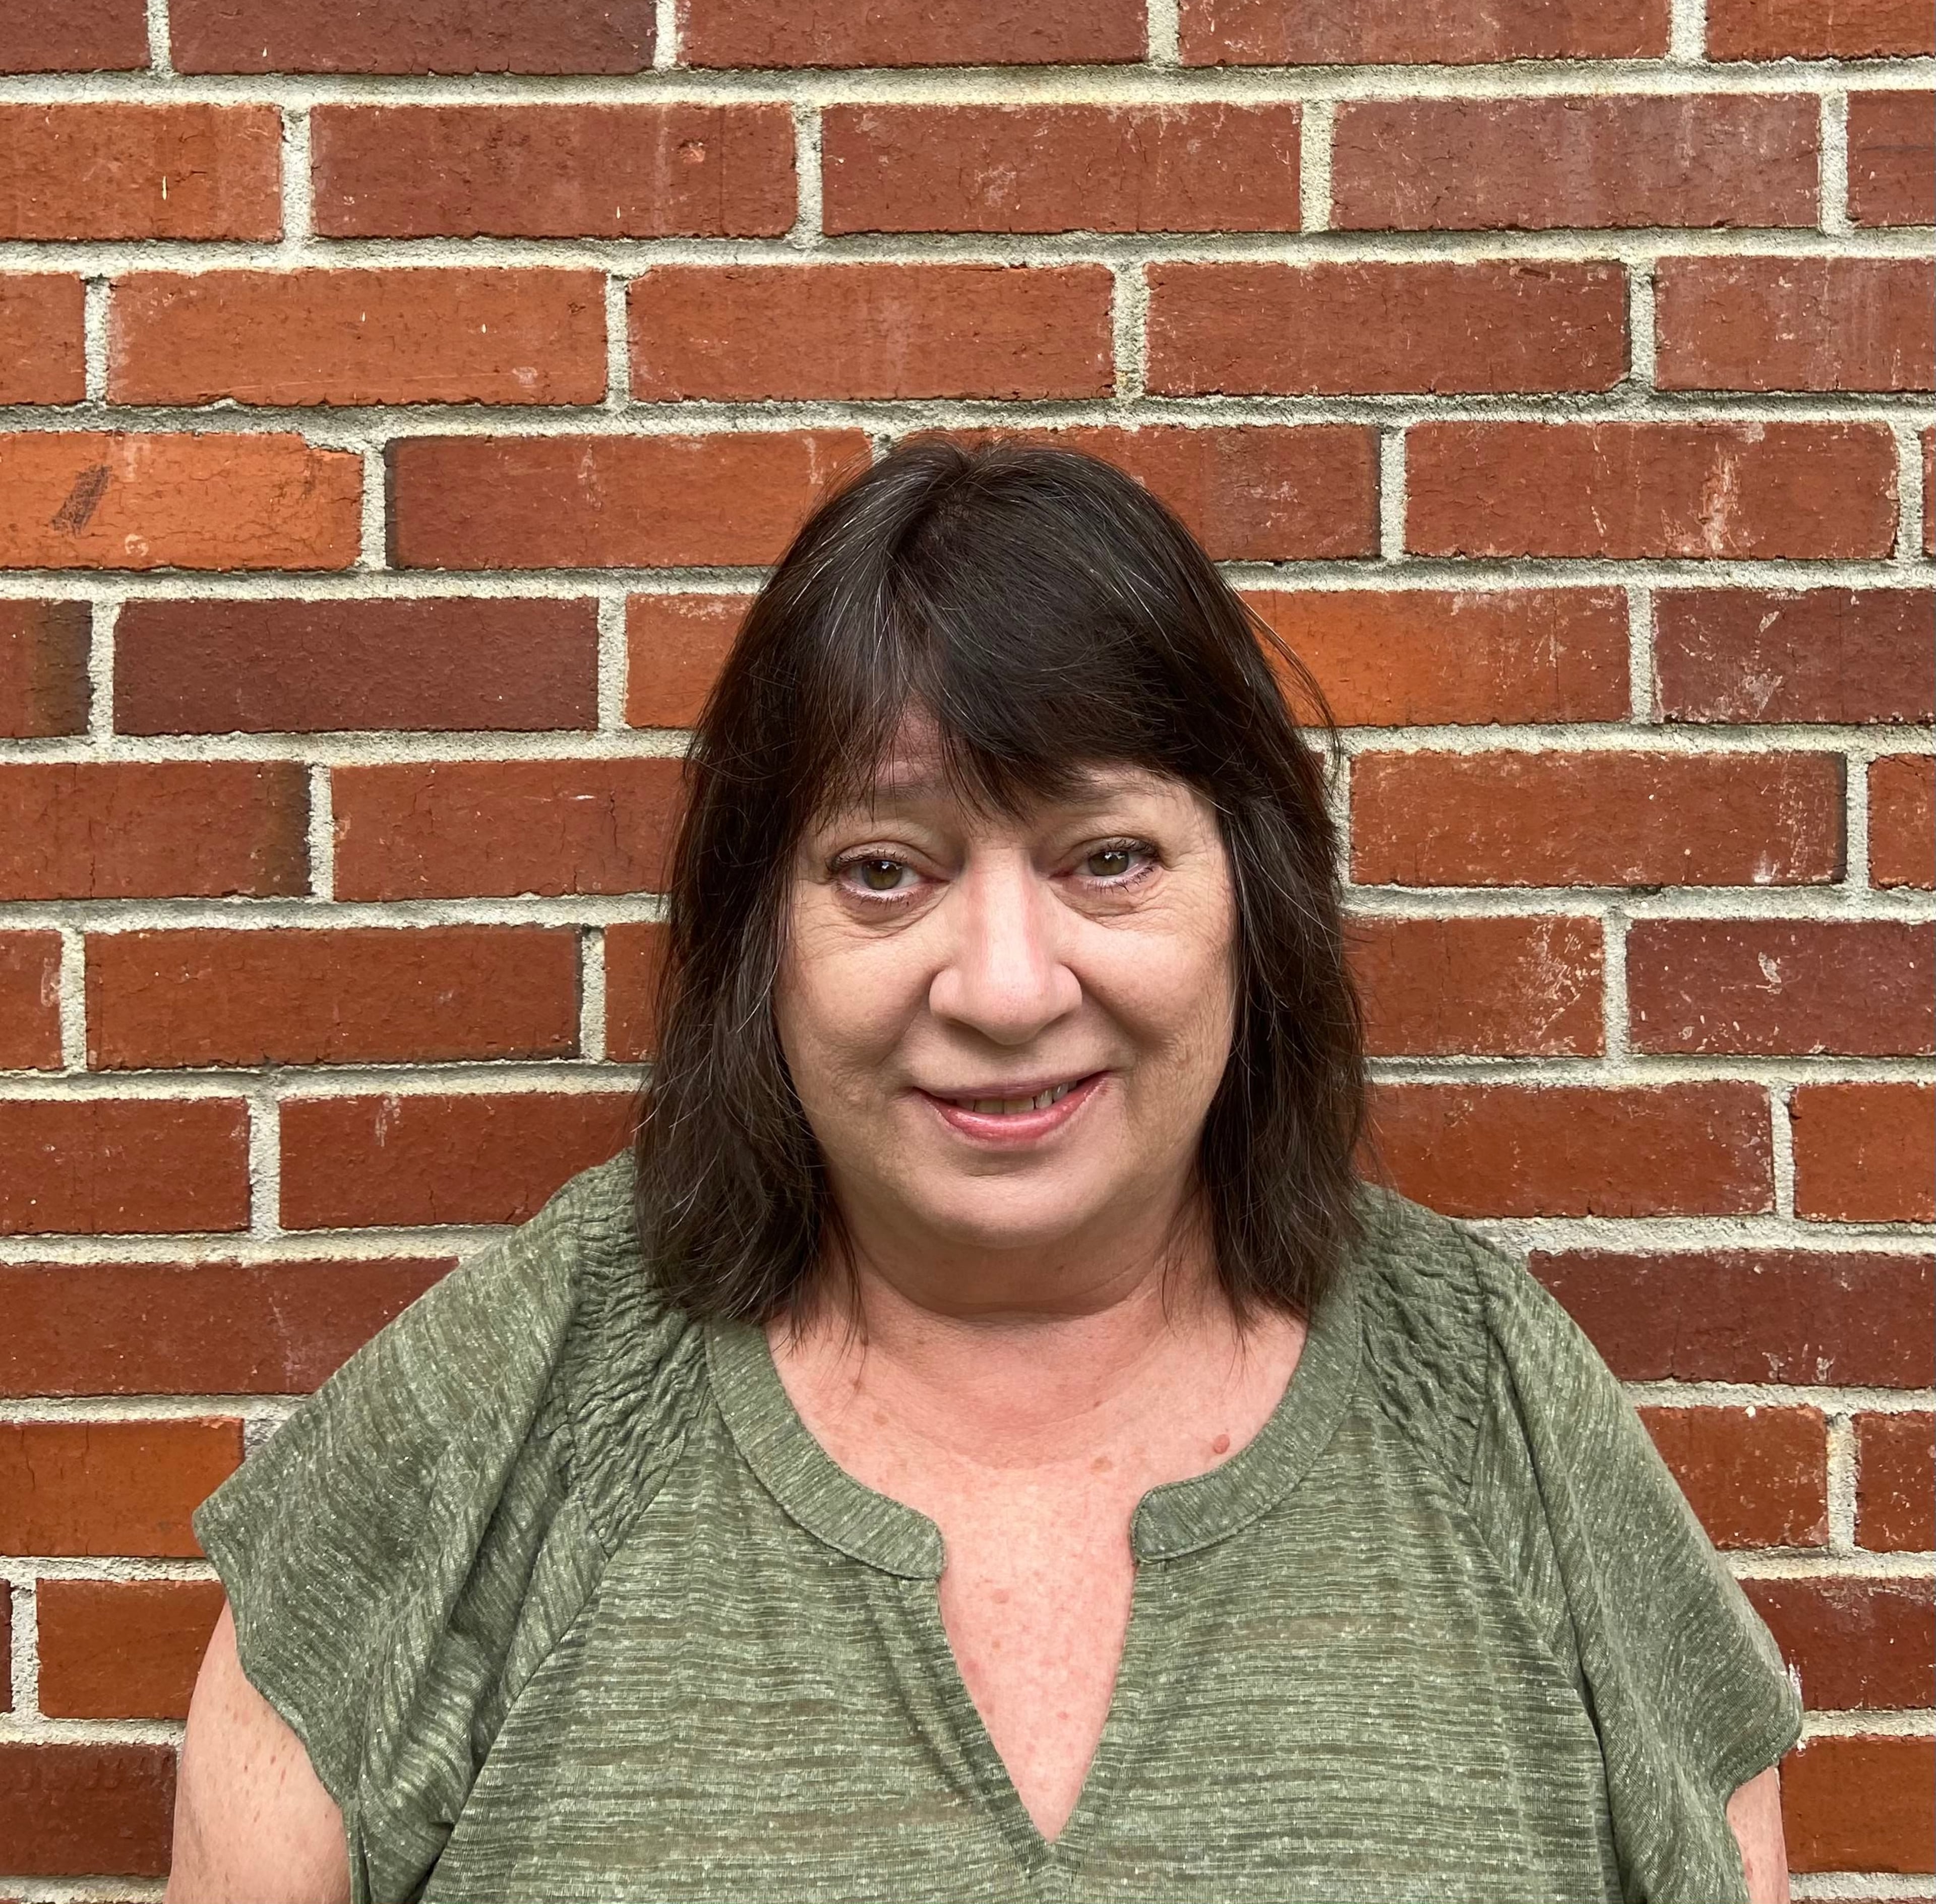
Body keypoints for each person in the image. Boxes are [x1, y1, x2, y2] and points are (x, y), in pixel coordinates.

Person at [167, 440, 1798, 1903]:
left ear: (1253, 897)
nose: (1006, 986)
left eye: (1108, 857)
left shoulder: (1495, 1404)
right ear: (765, 941)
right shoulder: (517, 1403)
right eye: (885, 870)